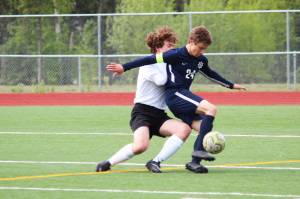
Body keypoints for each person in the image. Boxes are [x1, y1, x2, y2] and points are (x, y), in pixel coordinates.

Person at [107, 26, 246, 173]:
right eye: (200, 48)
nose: (202, 52)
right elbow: (149, 59)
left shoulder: (200, 60)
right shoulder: (175, 55)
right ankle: (198, 152)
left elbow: (211, 74)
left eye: (204, 49)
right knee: (211, 109)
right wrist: (124, 67)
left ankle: (193, 162)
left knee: (204, 127)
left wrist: (231, 85)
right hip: (175, 95)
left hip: (179, 100)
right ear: (191, 41)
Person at [96, 26, 192, 173]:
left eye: (174, 46)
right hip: (142, 112)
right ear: (158, 47)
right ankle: (108, 162)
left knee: (184, 129)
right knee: (141, 146)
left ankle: (155, 162)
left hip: (159, 115)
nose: (173, 49)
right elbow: (162, 80)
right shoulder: (149, 63)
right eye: (169, 45)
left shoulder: (169, 63)